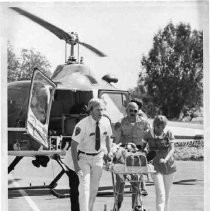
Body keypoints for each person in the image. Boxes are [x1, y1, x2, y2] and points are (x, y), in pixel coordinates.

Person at [71, 98, 112, 211]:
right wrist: (76, 165)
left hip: (98, 158)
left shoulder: (106, 121)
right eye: (98, 110)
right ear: (91, 110)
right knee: (85, 188)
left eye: (103, 109)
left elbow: (108, 137)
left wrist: (108, 152)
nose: (101, 112)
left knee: (94, 189)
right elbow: (73, 145)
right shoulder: (82, 125)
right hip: (84, 158)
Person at [114, 102, 150, 210]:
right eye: (131, 110)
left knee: (136, 181)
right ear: (126, 111)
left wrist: (147, 150)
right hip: (124, 152)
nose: (133, 113)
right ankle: (118, 205)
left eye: (135, 111)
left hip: (138, 153)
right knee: (120, 181)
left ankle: (135, 206)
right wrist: (114, 154)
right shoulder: (120, 122)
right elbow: (116, 140)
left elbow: (149, 138)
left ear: (138, 111)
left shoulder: (144, 123)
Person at [142, 115, 176, 211]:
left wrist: (166, 159)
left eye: (163, 126)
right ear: (154, 125)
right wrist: (145, 152)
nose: (160, 129)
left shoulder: (168, 133)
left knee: (167, 193)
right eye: (158, 126)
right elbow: (142, 148)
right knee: (160, 192)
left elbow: (172, 149)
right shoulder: (148, 133)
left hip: (169, 165)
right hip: (155, 166)